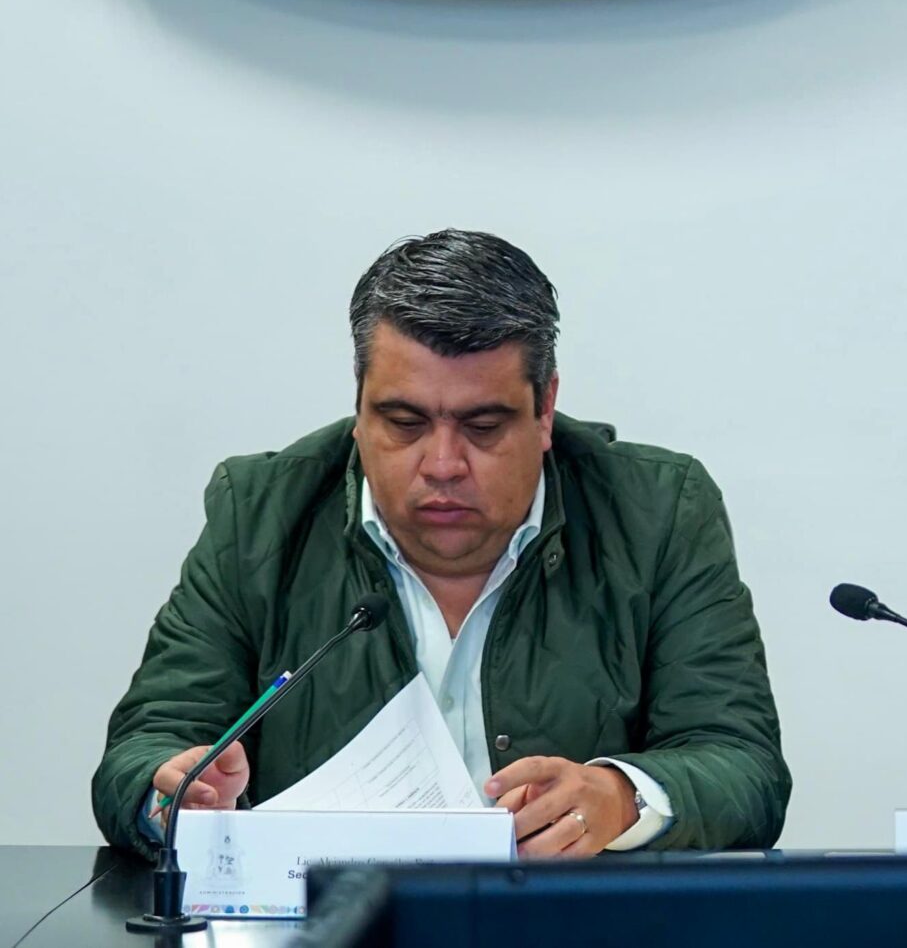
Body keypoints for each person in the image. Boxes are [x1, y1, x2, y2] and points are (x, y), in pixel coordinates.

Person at [93, 230, 790, 855]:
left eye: (483, 427)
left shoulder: (657, 512)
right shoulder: (262, 514)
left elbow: (743, 765)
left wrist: (622, 796)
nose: (443, 464)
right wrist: (171, 796)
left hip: (570, 929)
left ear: (545, 408)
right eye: (404, 423)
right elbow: (147, 744)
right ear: (360, 405)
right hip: (335, 926)